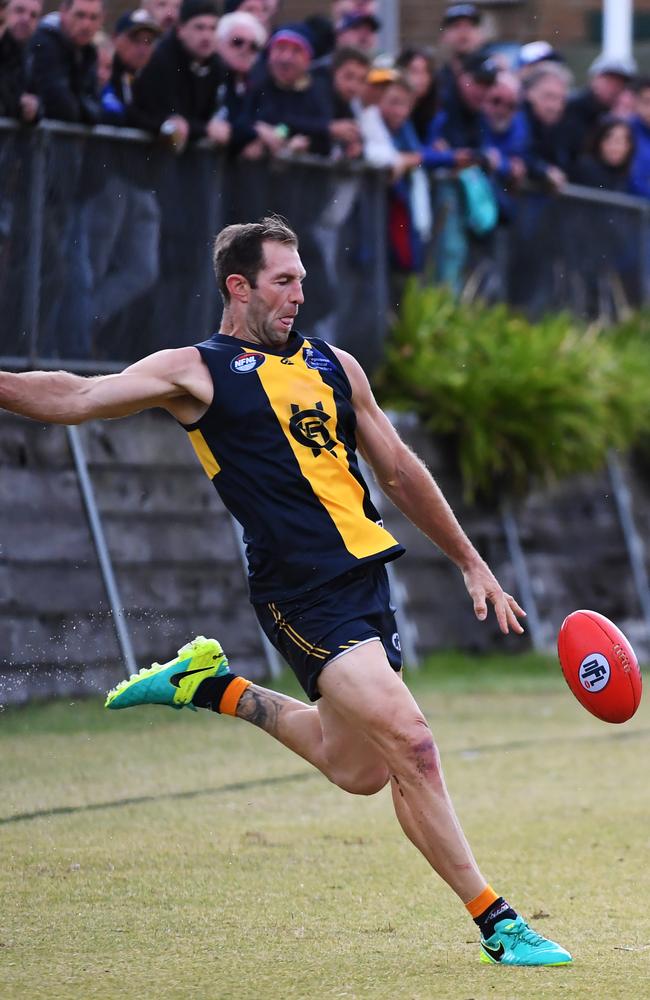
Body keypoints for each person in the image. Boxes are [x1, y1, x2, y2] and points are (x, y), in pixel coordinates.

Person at [0, 216, 573, 968]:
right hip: (299, 594)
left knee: (359, 769)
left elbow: (398, 469)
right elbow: (77, 394)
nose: (300, 293)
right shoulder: (195, 371)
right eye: (283, 280)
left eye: (302, 278)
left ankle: (211, 688)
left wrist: (471, 560)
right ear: (238, 286)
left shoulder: (336, 365)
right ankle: (499, 923)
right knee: (415, 747)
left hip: (366, 580)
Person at [0, 0, 42, 122]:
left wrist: (34, 109)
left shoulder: (30, 57)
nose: (26, 19)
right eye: (19, 10)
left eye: (33, 15)